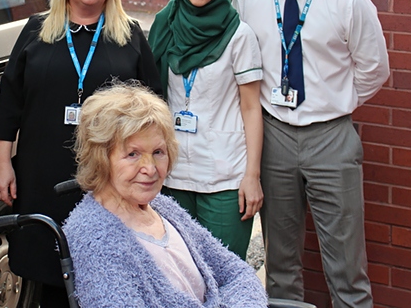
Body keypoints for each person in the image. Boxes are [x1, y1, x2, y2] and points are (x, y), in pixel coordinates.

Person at [232, 0, 390, 307]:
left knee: (347, 267)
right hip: (274, 137)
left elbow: (375, 69)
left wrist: (333, 102)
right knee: (280, 265)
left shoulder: (349, 0)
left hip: (331, 138)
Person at [0, 0, 161, 306]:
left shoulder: (127, 34)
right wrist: (2, 163)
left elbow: (154, 107)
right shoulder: (38, 30)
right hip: (42, 171)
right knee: (48, 269)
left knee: (103, 269)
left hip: (109, 175)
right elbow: (10, 101)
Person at [62, 81, 267, 307]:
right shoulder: (95, 236)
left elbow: (236, 274)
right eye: (132, 154)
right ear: (101, 160)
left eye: (158, 152)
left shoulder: (163, 207)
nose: (150, 168)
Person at [148, 0, 263, 260]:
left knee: (222, 272)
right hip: (172, 174)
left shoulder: (239, 35)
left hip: (224, 176)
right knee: (176, 271)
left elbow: (252, 108)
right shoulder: (166, 25)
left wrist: (252, 176)